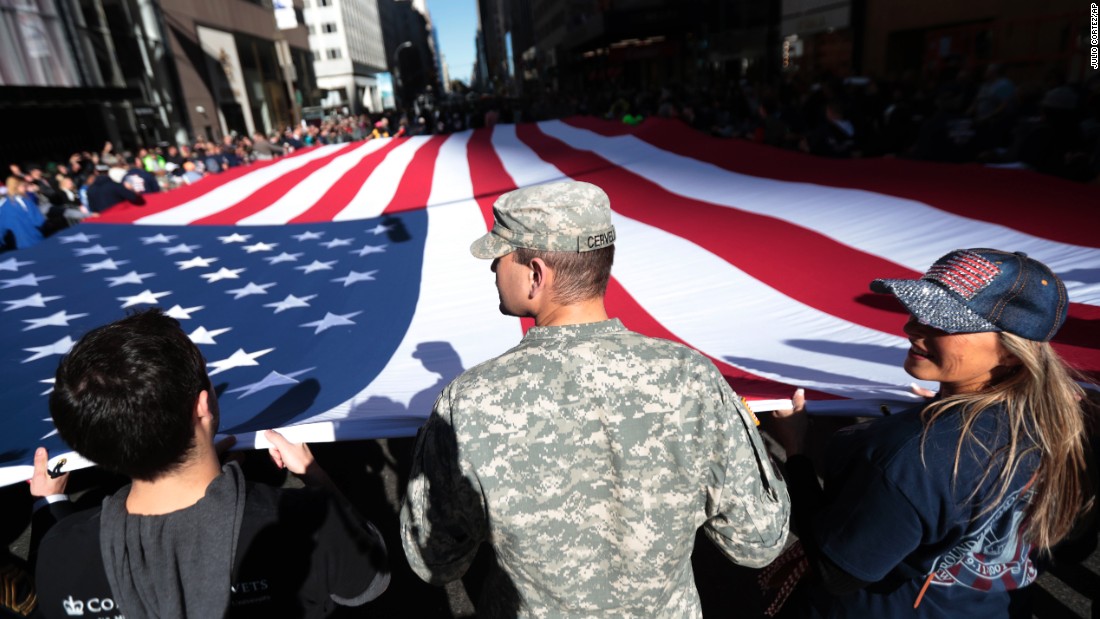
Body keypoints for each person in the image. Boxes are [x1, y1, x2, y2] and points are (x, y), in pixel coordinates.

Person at [400, 180, 790, 618]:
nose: (493, 270)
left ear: (536, 274)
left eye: (499, 258)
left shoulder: (469, 402)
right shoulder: (692, 379)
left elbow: (433, 558)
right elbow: (759, 539)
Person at [768, 248, 1096, 618]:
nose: (912, 327)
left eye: (945, 320)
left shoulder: (914, 454)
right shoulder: (1069, 424)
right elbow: (1071, 549)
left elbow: (837, 570)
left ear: (1010, 352)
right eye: (920, 309)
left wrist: (795, 453)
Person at [33, 308, 390, 618]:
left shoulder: (57, 550)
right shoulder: (310, 521)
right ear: (202, 406)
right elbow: (369, 583)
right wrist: (314, 474)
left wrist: (50, 504)